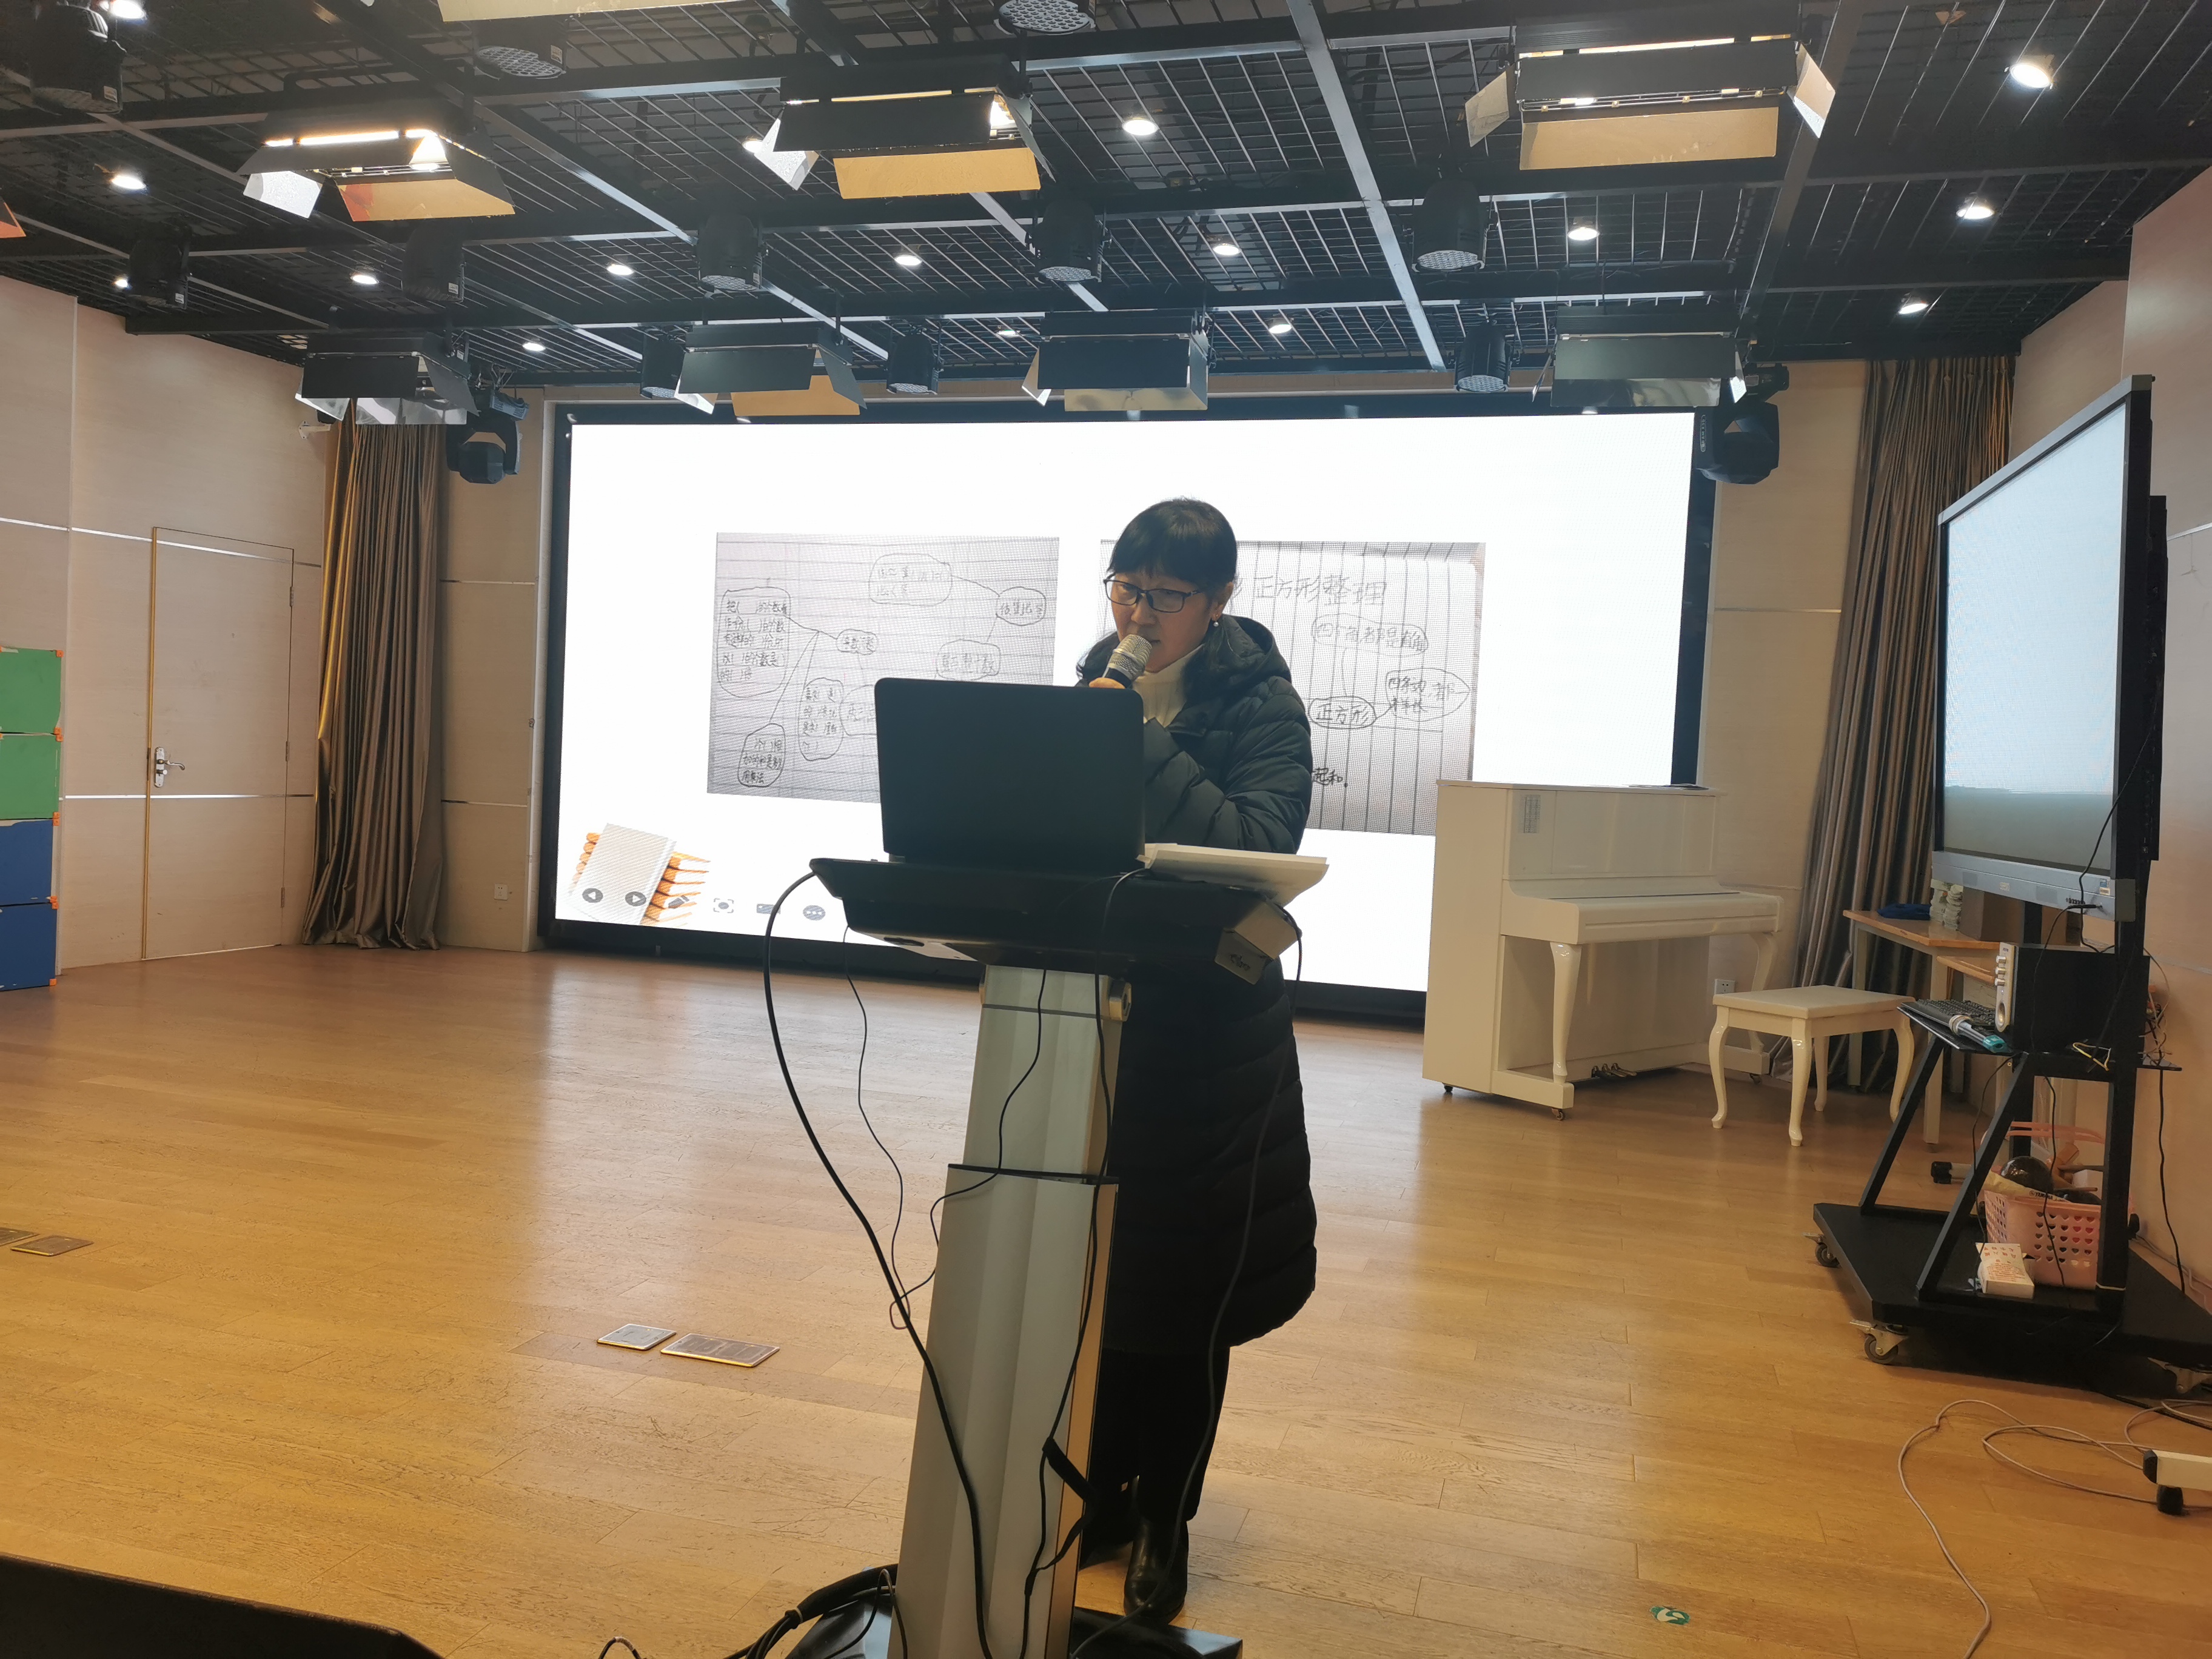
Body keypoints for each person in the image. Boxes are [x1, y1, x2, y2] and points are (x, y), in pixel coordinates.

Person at [1075, 498, 1317, 1623]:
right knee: (1106, 1283)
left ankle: (1168, 1515)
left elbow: (1257, 848)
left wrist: (1133, 737)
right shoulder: (1093, 679)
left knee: (1187, 1297)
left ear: (1218, 603)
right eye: (1126, 587)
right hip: (1098, 1020)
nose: (1138, 615)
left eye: (1166, 596)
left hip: (1212, 1036)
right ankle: (1104, 1496)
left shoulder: (1262, 702)